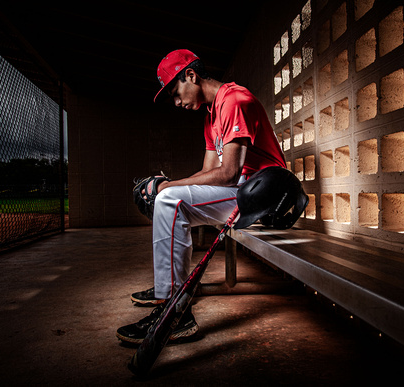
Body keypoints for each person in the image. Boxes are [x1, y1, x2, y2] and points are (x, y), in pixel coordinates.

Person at [116, 49, 286, 344]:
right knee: (168, 200)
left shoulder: (235, 99)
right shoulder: (211, 117)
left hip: (266, 197)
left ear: (191, 76)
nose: (177, 102)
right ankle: (169, 292)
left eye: (175, 92)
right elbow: (209, 172)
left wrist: (167, 189)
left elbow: (229, 173)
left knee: (170, 201)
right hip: (241, 190)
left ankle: (173, 309)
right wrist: (168, 183)